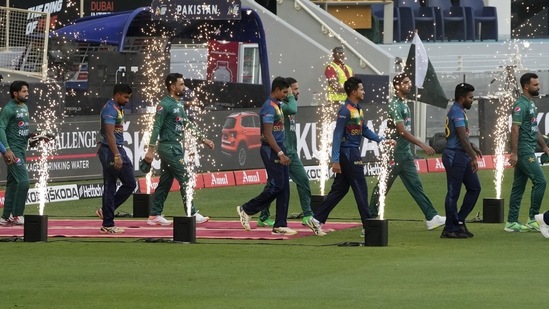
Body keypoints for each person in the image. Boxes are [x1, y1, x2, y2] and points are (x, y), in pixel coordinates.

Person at [305, 77, 390, 237]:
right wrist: (335, 160)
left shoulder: (358, 109)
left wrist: (382, 140)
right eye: (361, 89)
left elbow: (364, 129)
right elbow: (337, 136)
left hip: (352, 152)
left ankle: (316, 220)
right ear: (353, 91)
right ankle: (367, 226)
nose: (364, 92)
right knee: (361, 188)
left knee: (340, 189)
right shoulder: (345, 111)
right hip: (349, 153)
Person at [369, 73, 446, 230]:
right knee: (382, 187)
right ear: (397, 86)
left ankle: (431, 217)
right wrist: (421, 145)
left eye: (409, 82)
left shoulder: (404, 104)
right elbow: (402, 131)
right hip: (394, 154)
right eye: (405, 83)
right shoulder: (394, 105)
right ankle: (369, 220)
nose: (409, 85)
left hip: (405, 154)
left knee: (416, 186)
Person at [144, 73, 215, 226]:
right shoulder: (164, 105)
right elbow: (156, 127)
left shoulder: (179, 104)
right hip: (168, 147)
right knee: (186, 178)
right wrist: (150, 149)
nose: (184, 87)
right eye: (181, 84)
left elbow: (187, 123)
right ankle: (192, 213)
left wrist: (203, 138)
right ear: (172, 86)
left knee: (165, 182)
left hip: (176, 147)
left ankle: (154, 215)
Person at [236, 77, 297, 235]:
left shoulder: (278, 105)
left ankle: (280, 225)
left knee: (284, 187)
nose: (285, 95)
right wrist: (281, 153)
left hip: (278, 147)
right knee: (277, 186)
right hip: (271, 150)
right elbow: (268, 134)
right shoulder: (269, 107)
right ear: (276, 89)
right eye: (284, 92)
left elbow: (292, 108)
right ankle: (247, 209)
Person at [256, 77, 315, 227]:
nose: (297, 92)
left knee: (300, 181)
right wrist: (289, 95)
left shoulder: (284, 104)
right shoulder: (282, 105)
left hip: (290, 152)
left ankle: (307, 215)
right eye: (294, 89)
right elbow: (293, 108)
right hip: (282, 152)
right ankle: (261, 215)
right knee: (274, 186)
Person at [506, 73, 549, 232]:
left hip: (528, 149)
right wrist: (514, 153)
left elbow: (534, 127)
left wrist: (544, 147)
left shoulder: (530, 104)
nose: (538, 87)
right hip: (524, 151)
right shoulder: (521, 105)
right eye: (535, 85)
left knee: (518, 186)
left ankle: (511, 222)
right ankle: (533, 218)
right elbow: (515, 128)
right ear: (526, 86)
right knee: (541, 181)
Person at [440, 83, 482, 239]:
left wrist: (471, 146)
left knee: (474, 188)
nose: (472, 100)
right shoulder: (456, 112)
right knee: (453, 193)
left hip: (461, 155)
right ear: (462, 97)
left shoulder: (460, 111)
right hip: (454, 156)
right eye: (470, 97)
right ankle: (449, 229)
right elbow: (462, 137)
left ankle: (458, 221)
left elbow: (462, 137)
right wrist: (473, 157)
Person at [96, 84, 137, 234]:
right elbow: (109, 134)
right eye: (125, 97)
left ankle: (106, 212)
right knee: (110, 185)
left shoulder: (117, 108)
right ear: (118, 95)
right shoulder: (109, 110)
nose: (127, 100)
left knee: (130, 183)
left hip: (116, 149)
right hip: (111, 151)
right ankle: (108, 223)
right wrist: (117, 155)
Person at [0, 81, 30, 226]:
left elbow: (21, 130)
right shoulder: (8, 109)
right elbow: (0, 129)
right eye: (24, 91)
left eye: (27, 91)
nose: (27, 94)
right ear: (15, 93)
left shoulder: (24, 107)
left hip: (22, 149)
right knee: (24, 182)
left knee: (12, 183)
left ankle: (5, 217)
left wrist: (33, 136)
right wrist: (6, 149)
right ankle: (18, 215)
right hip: (13, 151)